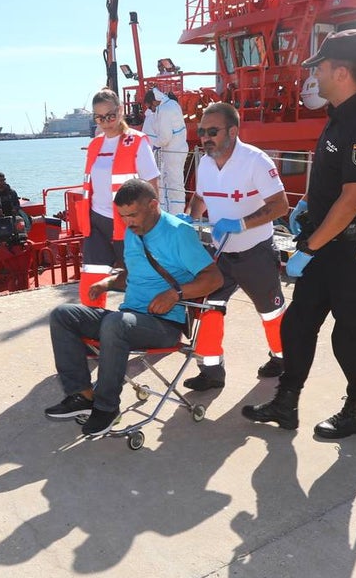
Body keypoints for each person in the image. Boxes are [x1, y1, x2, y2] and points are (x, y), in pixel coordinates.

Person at [242, 29, 356, 438]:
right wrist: (308, 209)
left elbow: (353, 199)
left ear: (341, 71)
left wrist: (308, 246)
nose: (315, 76)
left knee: (351, 336)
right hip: (325, 243)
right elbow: (328, 182)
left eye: (320, 68)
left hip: (352, 253)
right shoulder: (339, 118)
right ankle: (286, 403)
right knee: (297, 324)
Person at [46, 178, 223, 436]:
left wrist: (176, 294)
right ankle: (83, 396)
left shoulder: (177, 233)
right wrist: (107, 283)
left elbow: (214, 278)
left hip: (164, 324)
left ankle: (107, 408)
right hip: (130, 319)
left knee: (115, 324)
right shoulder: (133, 234)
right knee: (63, 315)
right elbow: (133, 275)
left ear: (153, 205)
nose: (128, 222)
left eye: (133, 215)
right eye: (122, 216)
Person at [183, 102, 289, 390]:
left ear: (232, 130)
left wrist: (240, 224)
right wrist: (189, 219)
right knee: (209, 306)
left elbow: (280, 206)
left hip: (255, 251)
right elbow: (200, 197)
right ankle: (211, 371)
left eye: (212, 131)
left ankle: (282, 359)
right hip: (221, 253)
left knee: (270, 310)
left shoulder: (256, 161)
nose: (205, 137)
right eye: (202, 131)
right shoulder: (205, 162)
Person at [77, 88, 160, 308]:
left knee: (137, 280)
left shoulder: (137, 142)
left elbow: (152, 184)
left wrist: (152, 222)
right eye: (99, 117)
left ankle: (146, 329)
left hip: (128, 225)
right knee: (90, 281)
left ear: (121, 111)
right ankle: (91, 330)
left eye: (110, 116)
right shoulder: (95, 144)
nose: (105, 122)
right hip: (96, 223)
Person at [145, 87, 188, 215]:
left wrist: (154, 146)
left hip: (171, 152)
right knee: (176, 184)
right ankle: (177, 213)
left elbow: (165, 137)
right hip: (180, 149)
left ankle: (174, 215)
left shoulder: (163, 110)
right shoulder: (173, 104)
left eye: (150, 107)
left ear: (154, 102)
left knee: (171, 185)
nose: (151, 110)